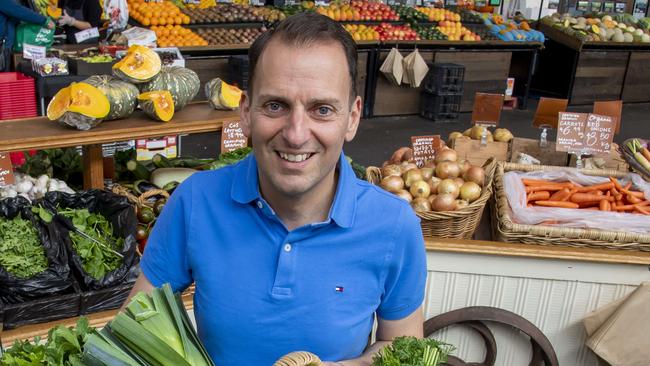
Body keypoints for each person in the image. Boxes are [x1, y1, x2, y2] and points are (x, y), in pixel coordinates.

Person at [126, 12, 427, 365]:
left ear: (353, 117)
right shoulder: (195, 201)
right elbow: (135, 323)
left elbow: (405, 348)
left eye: (322, 109)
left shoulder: (393, 224)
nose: (296, 134)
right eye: (275, 105)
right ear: (246, 111)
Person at [0, 0, 54, 71]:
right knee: (4, 75)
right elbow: (17, 10)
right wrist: (44, 20)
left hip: (6, 44)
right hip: (2, 46)